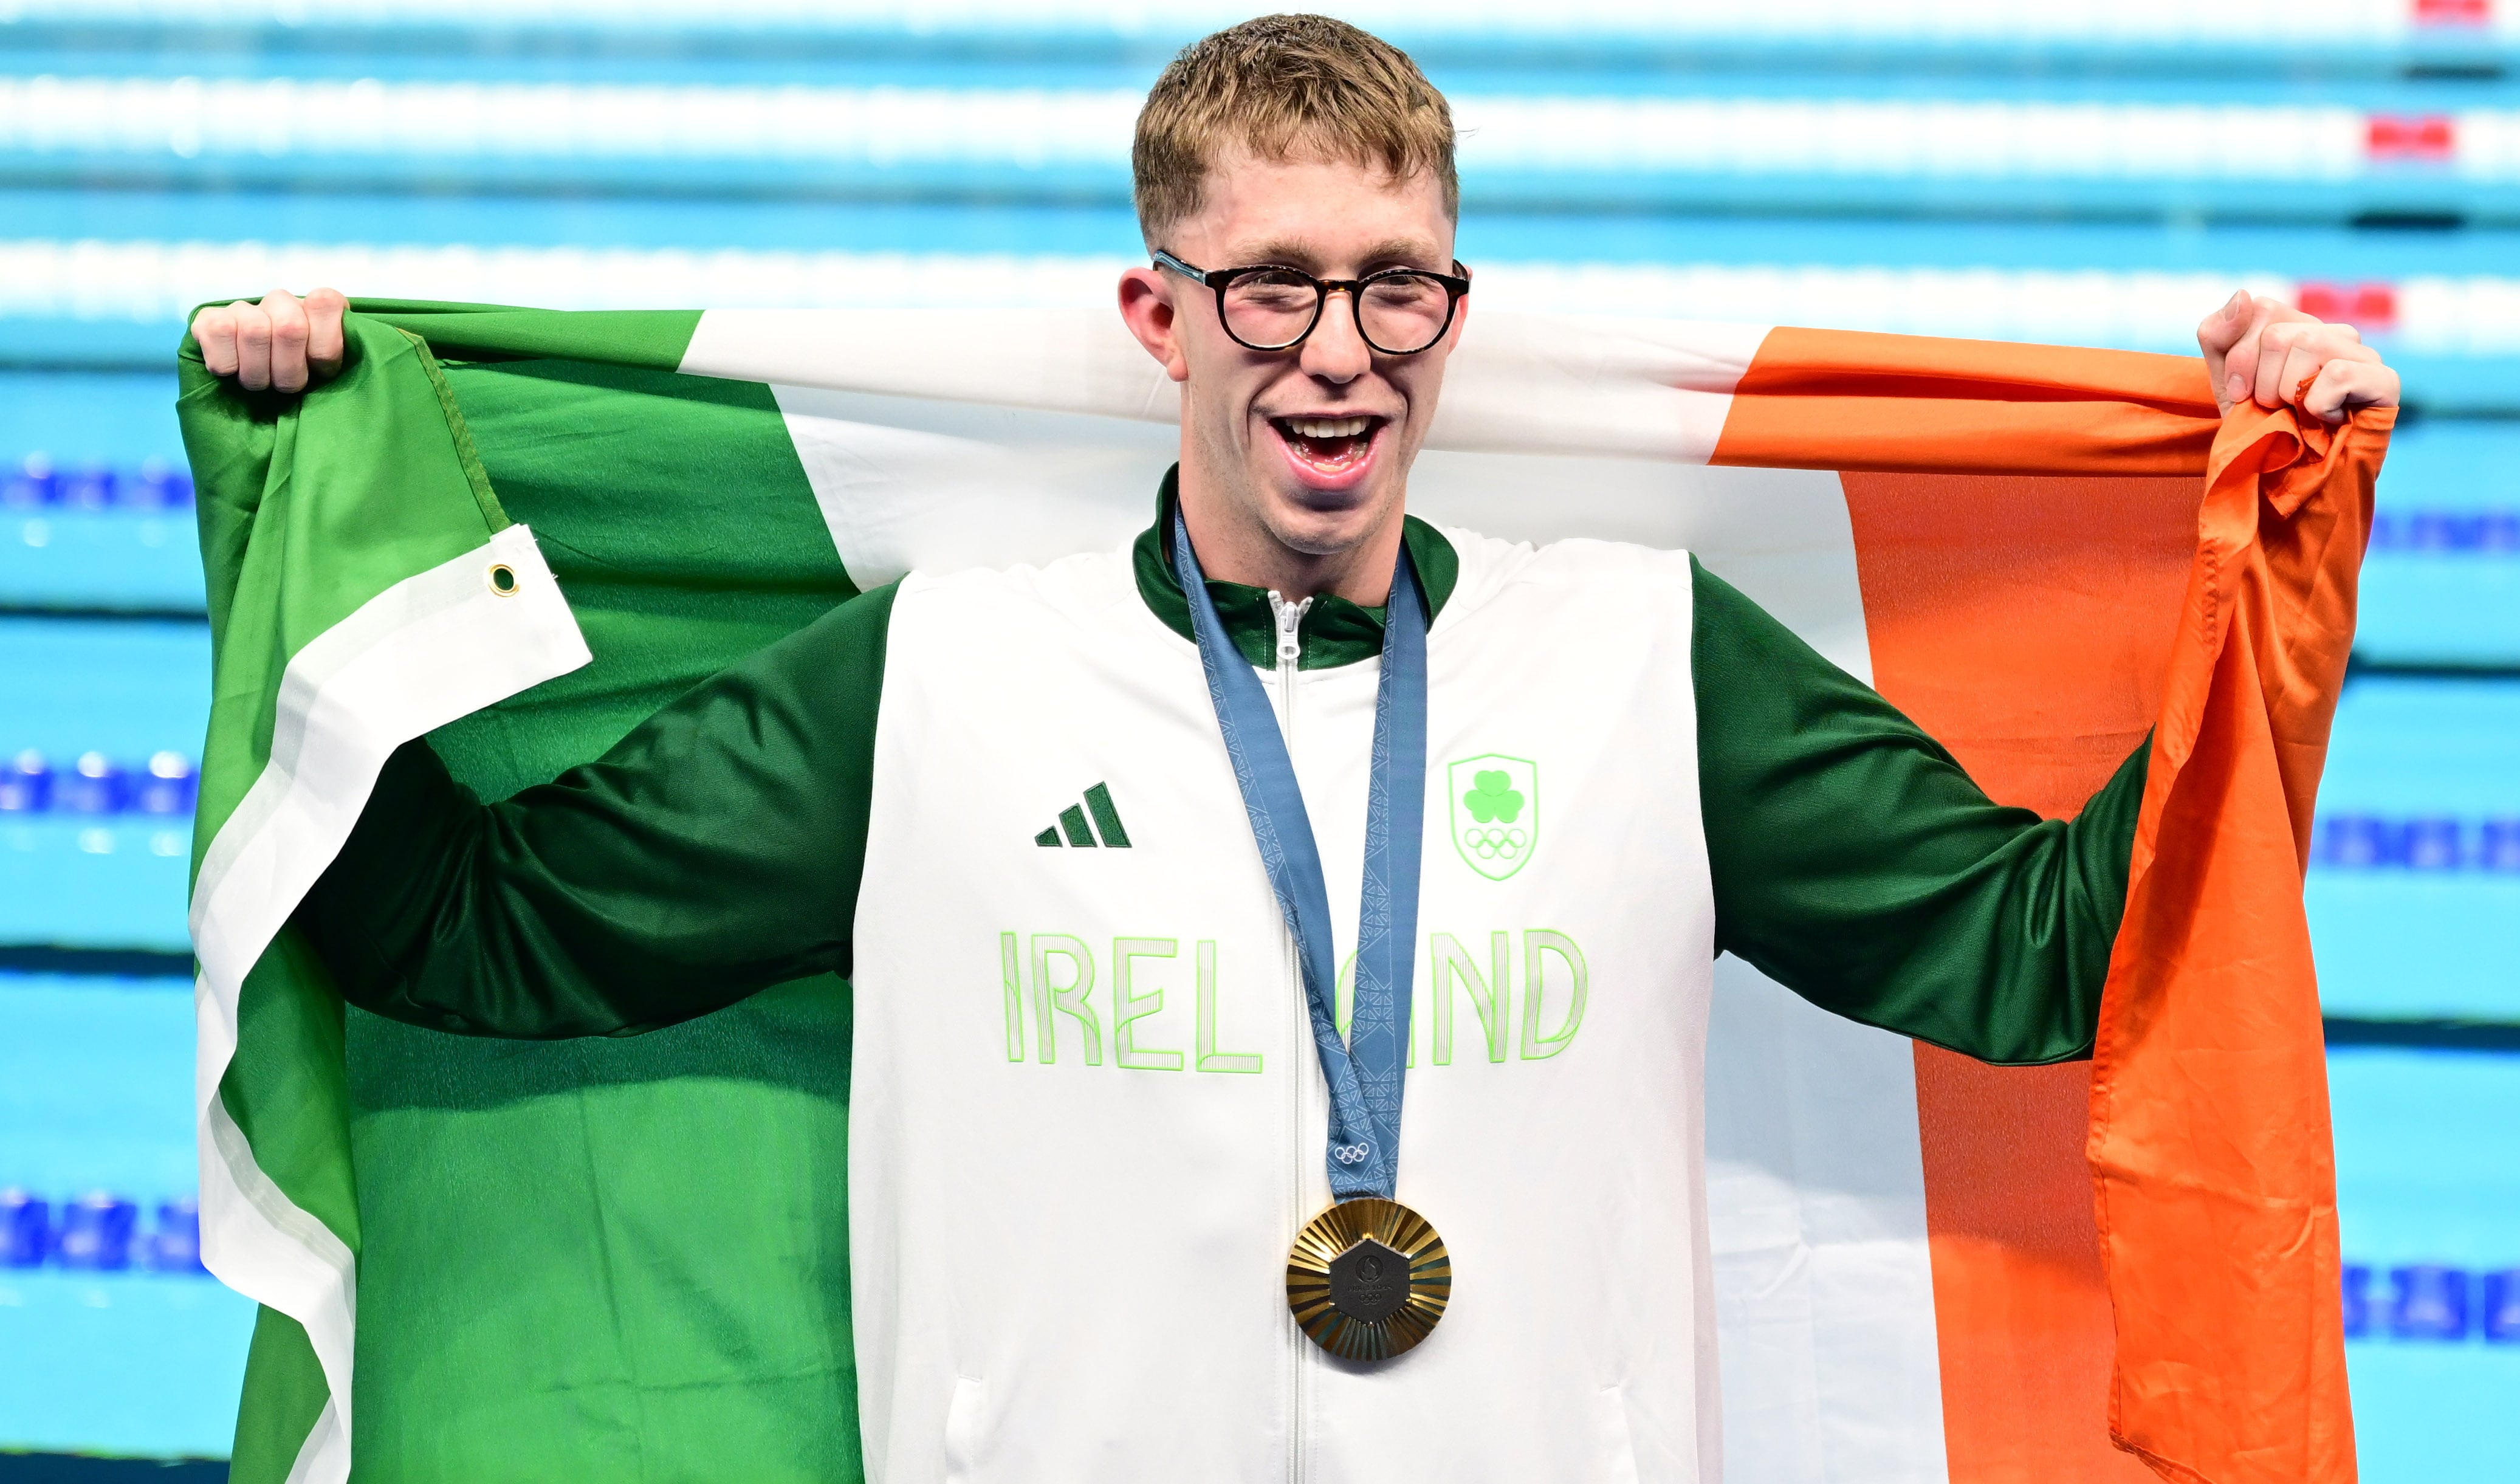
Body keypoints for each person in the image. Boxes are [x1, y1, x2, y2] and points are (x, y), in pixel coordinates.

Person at [191, 16, 2398, 1481]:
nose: (1335, 355)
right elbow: (474, 932)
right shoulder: (939, 675)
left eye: (1391, 282)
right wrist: (304, 498)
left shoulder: (1643, 657)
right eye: (1269, 286)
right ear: (1159, 312)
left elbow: (2054, 954)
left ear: (1454, 307)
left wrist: (2276, 562)